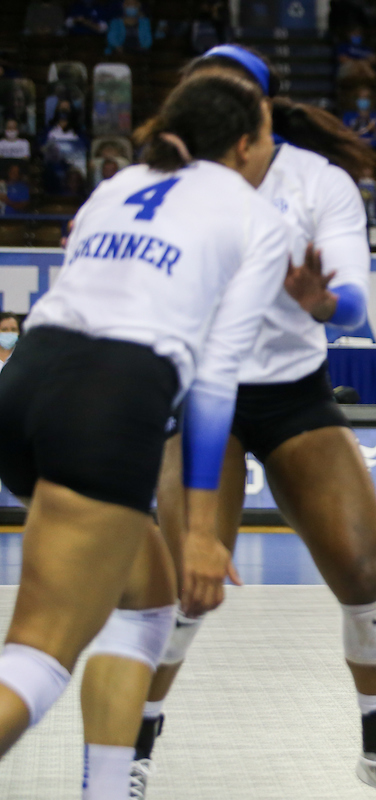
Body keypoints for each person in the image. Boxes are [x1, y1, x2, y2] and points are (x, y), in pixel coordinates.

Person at [91, 46, 376, 799]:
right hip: (194, 389)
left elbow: (349, 299)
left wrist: (319, 300)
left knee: (363, 574)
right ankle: (135, 756)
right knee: (185, 587)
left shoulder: (318, 183)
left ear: (257, 114)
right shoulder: (159, 180)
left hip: (290, 390)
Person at [0, 73, 288, 791]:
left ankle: (107, 786)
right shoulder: (257, 218)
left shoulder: (120, 184)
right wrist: (197, 527)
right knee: (38, 653)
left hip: (24, 378)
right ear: (246, 145)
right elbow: (218, 378)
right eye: (268, 131)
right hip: (108, 400)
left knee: (148, 604)